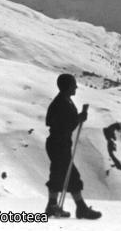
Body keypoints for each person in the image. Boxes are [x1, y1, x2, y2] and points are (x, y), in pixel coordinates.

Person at [44, 73, 102, 219]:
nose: (76, 87)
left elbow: (63, 122)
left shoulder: (63, 101)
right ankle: (81, 208)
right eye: (73, 85)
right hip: (59, 144)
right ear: (67, 86)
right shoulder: (61, 103)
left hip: (59, 143)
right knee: (72, 174)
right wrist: (78, 119)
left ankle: (52, 206)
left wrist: (77, 118)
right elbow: (61, 124)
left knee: (57, 173)